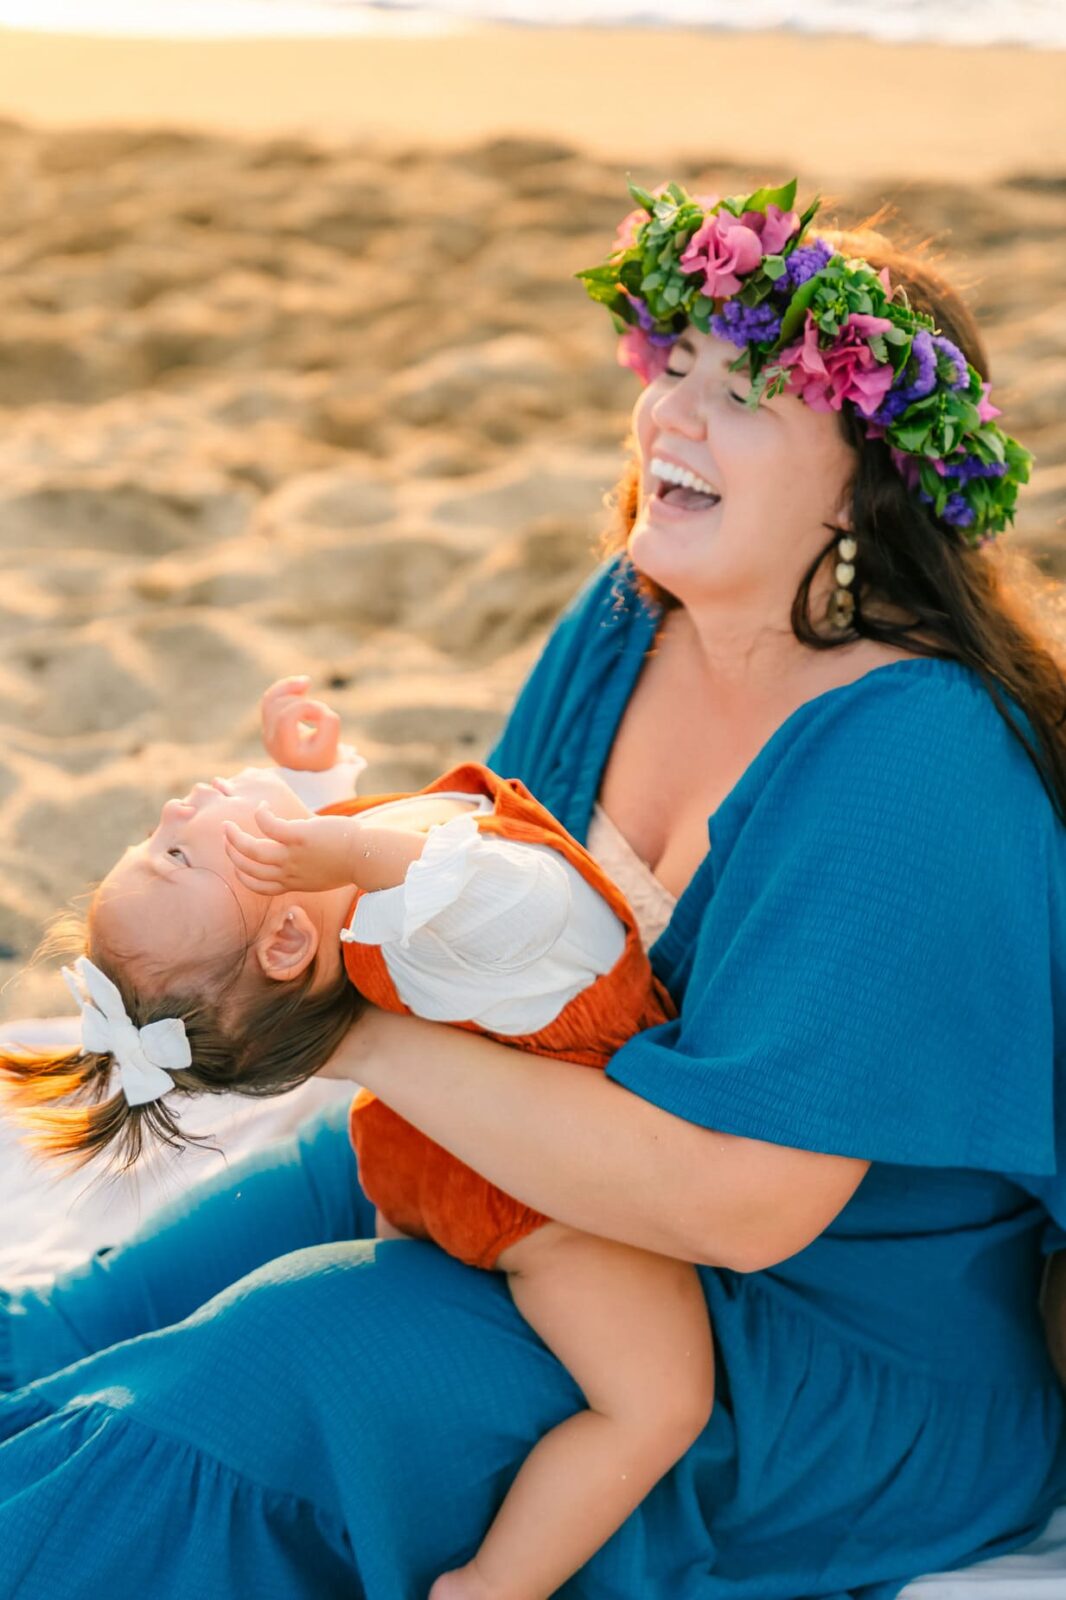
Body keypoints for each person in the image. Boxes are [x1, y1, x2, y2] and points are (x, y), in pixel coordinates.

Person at [1, 175, 1065, 1600]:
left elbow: (743, 1208)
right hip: (533, 1163)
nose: (669, 415)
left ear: (865, 476)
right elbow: (463, 901)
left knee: (268, 1372)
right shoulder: (630, 618)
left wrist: (358, 1037)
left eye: (745, 389)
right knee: (75, 1326)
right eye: (669, 365)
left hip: (814, 1344)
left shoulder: (917, 757)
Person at [3, 672, 710, 1600]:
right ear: (289, 940)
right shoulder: (468, 919)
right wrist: (337, 839)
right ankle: (495, 1583)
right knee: (658, 1404)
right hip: (533, 1200)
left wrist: (314, 787)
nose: (173, 808)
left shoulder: (340, 910)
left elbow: (333, 898)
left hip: (411, 1144)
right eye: (176, 854)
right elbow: (517, 895)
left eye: (155, 842)